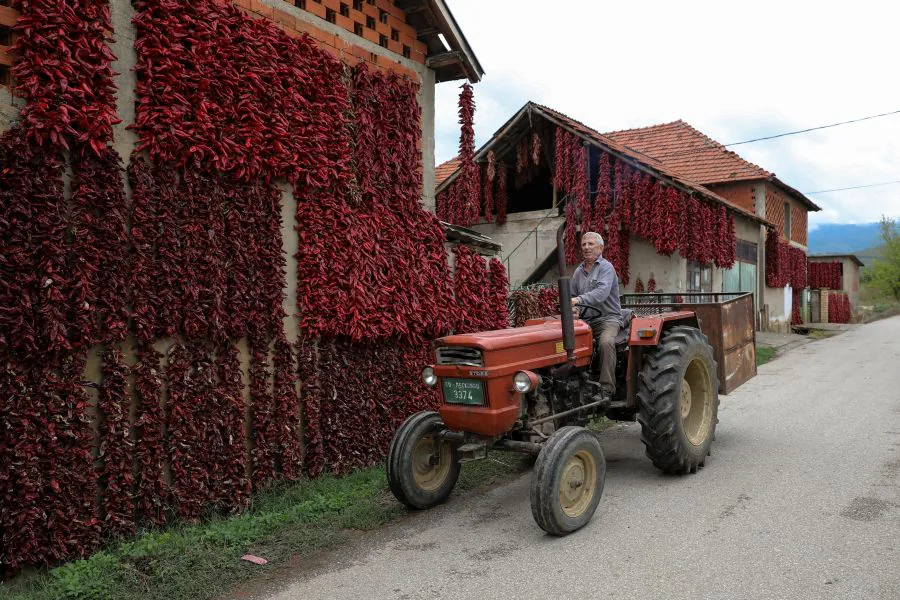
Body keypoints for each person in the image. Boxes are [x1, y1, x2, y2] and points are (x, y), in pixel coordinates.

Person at [570, 232, 622, 401]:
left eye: (590, 244)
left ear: (601, 248)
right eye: (584, 244)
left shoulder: (606, 268)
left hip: (608, 319)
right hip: (585, 321)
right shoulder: (578, 271)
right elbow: (571, 295)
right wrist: (573, 310)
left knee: (606, 343)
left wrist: (578, 300)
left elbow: (601, 294)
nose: (586, 247)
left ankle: (606, 389)